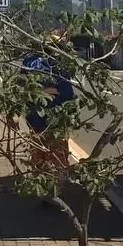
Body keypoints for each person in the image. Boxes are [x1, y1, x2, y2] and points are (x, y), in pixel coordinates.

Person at [21, 48, 75, 184]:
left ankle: (44, 184)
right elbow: (66, 92)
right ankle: (53, 185)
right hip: (51, 119)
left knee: (43, 152)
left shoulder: (32, 61)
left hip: (44, 119)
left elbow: (24, 91)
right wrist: (49, 91)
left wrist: (40, 92)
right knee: (54, 154)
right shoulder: (57, 63)